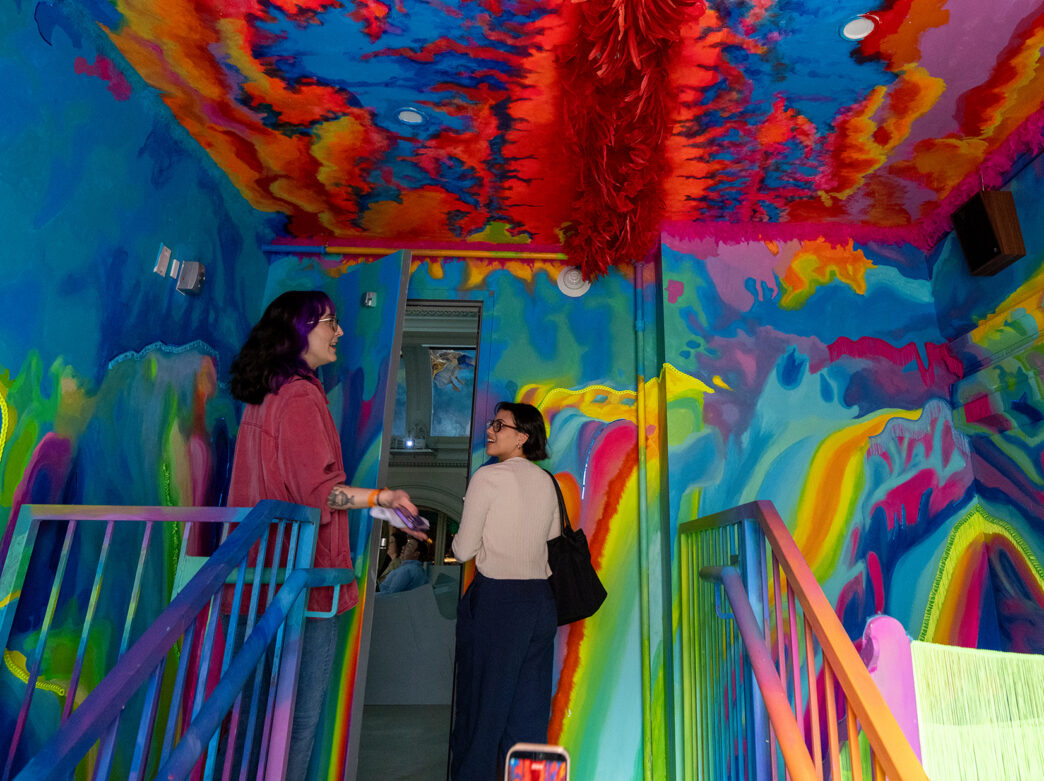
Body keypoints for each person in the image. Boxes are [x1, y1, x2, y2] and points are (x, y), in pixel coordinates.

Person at [226, 289, 418, 780]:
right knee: (299, 718)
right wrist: (383, 497)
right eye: (329, 322)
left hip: (257, 578)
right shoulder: (300, 397)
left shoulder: (265, 396)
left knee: (249, 722)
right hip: (304, 587)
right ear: (298, 331)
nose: (339, 331)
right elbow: (323, 495)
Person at [449, 401, 560, 780]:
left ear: (522, 438)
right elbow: (552, 539)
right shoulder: (548, 481)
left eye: (500, 424)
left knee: (482, 714)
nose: (490, 430)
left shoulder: (487, 477)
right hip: (540, 604)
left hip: (499, 603)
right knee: (528, 718)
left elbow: (463, 550)